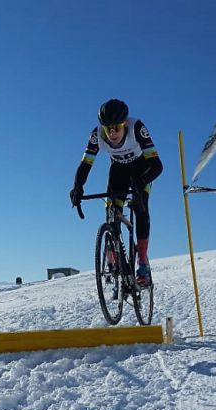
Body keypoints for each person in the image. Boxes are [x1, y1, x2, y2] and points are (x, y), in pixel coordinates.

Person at [70, 98, 163, 285]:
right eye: (108, 128)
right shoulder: (97, 135)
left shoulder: (137, 128)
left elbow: (157, 166)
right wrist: (78, 187)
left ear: (125, 124)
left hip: (142, 170)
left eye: (117, 128)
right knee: (111, 211)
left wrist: (142, 181)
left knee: (141, 208)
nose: (112, 133)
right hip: (118, 171)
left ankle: (142, 261)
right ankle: (113, 254)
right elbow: (85, 164)